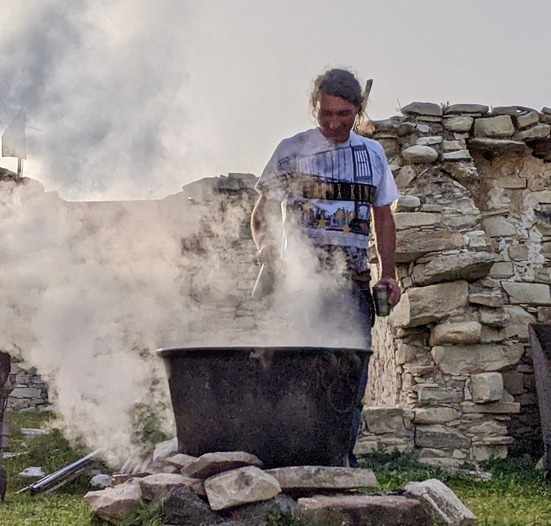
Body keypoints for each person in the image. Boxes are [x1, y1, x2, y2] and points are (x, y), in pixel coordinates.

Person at [250, 68, 401, 465]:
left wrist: (389, 274)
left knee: (350, 375)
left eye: (344, 115)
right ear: (314, 108)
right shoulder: (290, 150)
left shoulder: (372, 155)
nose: (334, 123)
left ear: (358, 110)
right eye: (326, 114)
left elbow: (383, 217)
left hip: (352, 284)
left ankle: (339, 460)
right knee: (291, 369)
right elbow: (262, 211)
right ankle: (288, 459)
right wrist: (266, 246)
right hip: (297, 285)